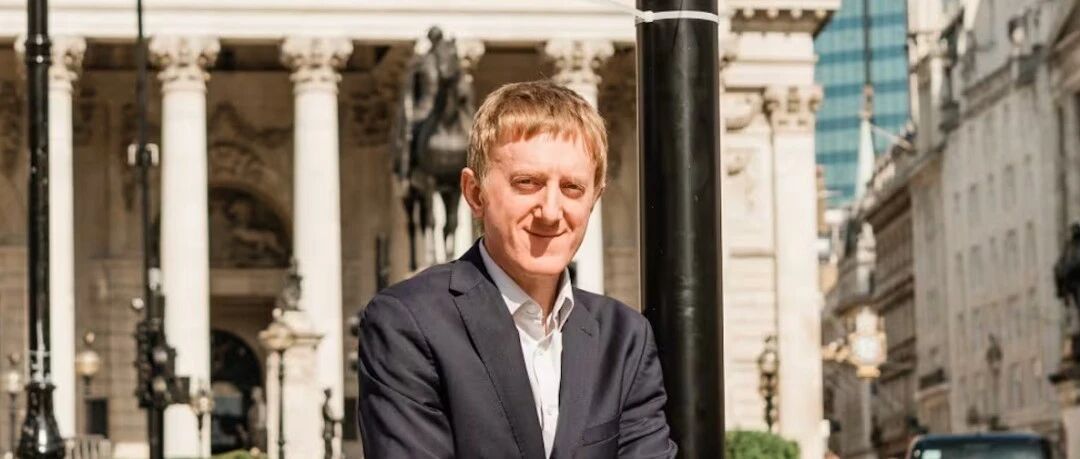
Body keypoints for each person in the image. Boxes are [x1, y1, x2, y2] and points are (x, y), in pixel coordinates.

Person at [357, 80, 676, 459]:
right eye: (527, 183)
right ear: (475, 193)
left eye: (572, 188)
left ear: (594, 199)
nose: (551, 211)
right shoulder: (408, 323)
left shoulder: (625, 339)